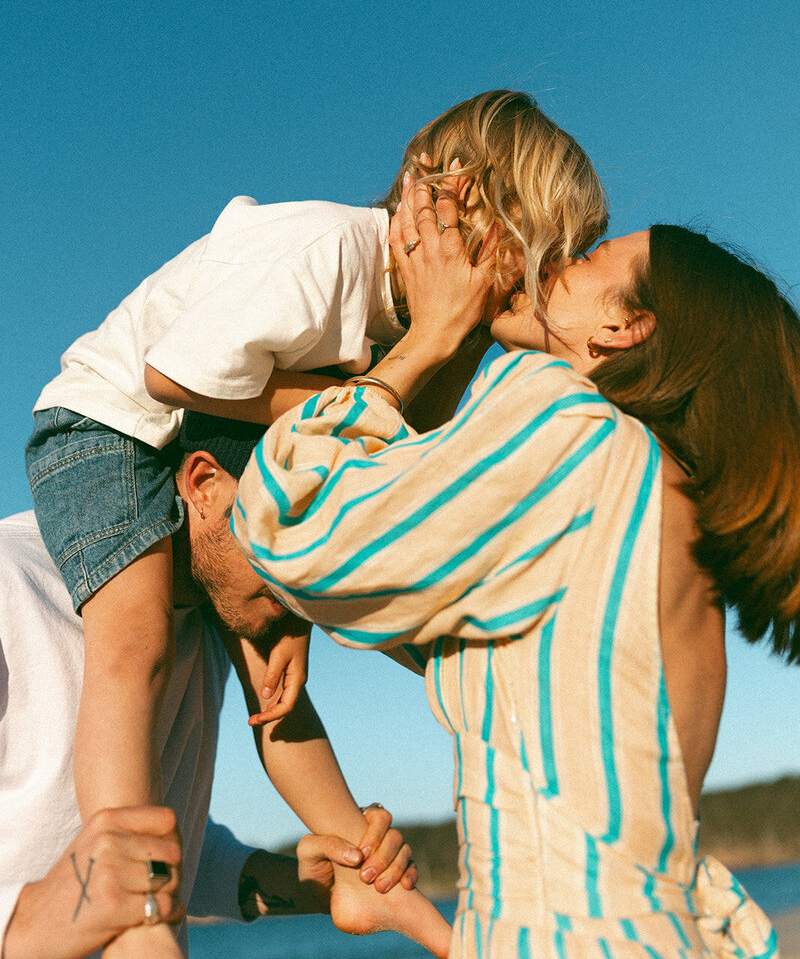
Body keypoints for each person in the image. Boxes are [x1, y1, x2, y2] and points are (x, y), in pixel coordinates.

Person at [24, 92, 607, 954]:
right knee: (135, 644)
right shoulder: (326, 249)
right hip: (109, 425)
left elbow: (392, 510)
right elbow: (172, 374)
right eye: (506, 262)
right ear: (429, 198)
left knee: (278, 693)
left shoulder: (410, 333)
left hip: (206, 450)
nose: (505, 295)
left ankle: (369, 888)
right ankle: (128, 896)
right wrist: (375, 383)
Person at [228, 177, 798, 958]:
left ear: (626, 325)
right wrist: (302, 616)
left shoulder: (577, 434)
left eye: (592, 257)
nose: (557, 259)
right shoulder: (665, 498)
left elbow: (289, 525)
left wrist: (423, 338)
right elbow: (517, 682)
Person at [2, 421, 443, 959]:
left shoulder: (212, 621)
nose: (305, 574)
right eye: (291, 527)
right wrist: (23, 924)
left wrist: (297, 881)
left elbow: (164, 844)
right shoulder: (10, 582)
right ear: (204, 484)